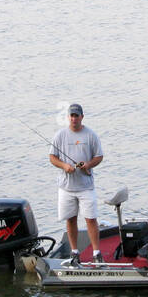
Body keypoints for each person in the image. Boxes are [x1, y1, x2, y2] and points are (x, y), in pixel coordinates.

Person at [49, 103, 104, 265]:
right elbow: (53, 157)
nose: (74, 119)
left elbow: (99, 157)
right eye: (71, 116)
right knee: (70, 219)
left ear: (82, 117)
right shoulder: (60, 135)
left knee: (91, 218)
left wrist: (88, 165)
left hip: (86, 187)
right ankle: (74, 252)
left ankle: (96, 252)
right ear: (68, 117)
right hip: (66, 187)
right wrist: (64, 166)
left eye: (76, 116)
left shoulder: (90, 135)